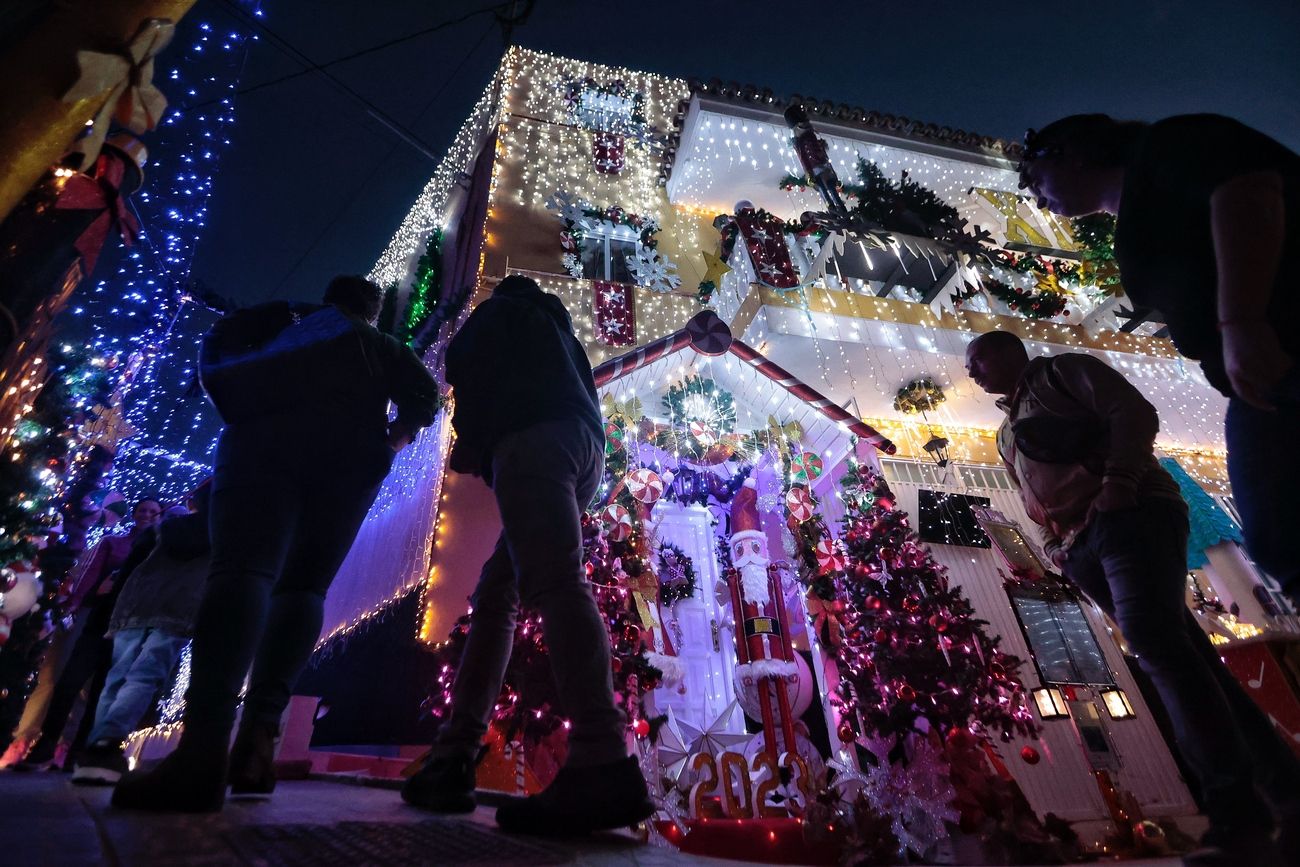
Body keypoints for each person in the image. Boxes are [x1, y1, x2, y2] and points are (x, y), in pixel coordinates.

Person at [966, 330, 1300, 866]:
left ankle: (1238, 816)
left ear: (1011, 352)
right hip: (1081, 545)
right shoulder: (1005, 434)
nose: (972, 373)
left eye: (978, 359)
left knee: (1155, 644)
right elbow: (1029, 497)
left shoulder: (1062, 373)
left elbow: (1135, 413)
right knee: (1188, 658)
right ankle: (1284, 795)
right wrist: (1056, 549)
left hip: (1130, 513)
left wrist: (1119, 482)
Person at [111, 275, 441, 811]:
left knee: (240, 573)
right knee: (305, 589)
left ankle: (202, 751)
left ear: (330, 297)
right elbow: (423, 395)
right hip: (350, 459)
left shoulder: (290, 319)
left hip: (262, 443)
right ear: (373, 309)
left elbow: (218, 345)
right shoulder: (383, 346)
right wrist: (391, 441)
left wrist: (236, 402)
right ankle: (256, 746)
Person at [400, 274, 651, 835]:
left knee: (556, 585)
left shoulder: (495, 318)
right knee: (499, 595)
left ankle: (600, 756)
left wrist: (472, 447)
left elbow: (466, 377)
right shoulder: (560, 330)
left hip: (534, 443)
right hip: (584, 451)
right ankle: (454, 754)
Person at [1017, 113, 1300, 610]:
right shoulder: (1132, 220)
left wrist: (1243, 322)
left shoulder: (1166, 148)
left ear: (1069, 151)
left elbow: (1248, 194)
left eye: (1034, 180)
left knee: (1282, 528)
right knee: (1280, 532)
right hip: (1258, 379)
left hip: (1285, 341)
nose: (1038, 200)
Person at [72, 481, 213, 784]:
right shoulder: (220, 536)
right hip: (178, 609)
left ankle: (93, 753)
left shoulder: (160, 530)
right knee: (146, 676)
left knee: (117, 675)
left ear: (194, 502)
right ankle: (107, 745)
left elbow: (129, 571)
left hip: (135, 607)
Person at [11, 498, 162, 771]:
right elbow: (90, 577)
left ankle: (78, 754)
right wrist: (82, 600)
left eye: (153, 512)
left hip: (130, 629)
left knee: (103, 692)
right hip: (99, 622)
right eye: (143, 510)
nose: (148, 515)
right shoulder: (113, 543)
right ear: (135, 514)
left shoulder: (162, 551)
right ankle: (47, 744)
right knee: (69, 682)